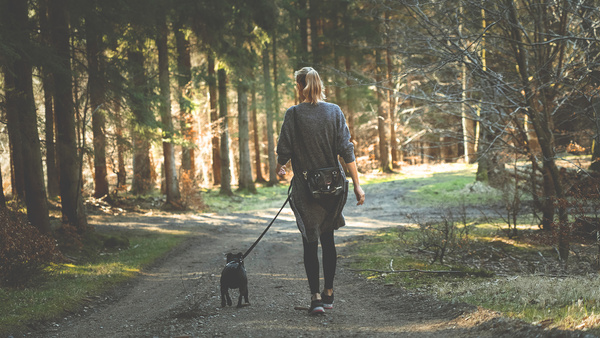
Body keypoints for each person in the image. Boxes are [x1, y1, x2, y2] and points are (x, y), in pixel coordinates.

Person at [276, 67, 365, 315]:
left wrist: (280, 168)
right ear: (318, 84)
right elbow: (346, 150)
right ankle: (329, 293)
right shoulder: (334, 111)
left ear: (299, 86)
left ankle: (315, 298)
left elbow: (284, 150)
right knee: (328, 239)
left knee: (309, 240)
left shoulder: (293, 114)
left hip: (306, 188)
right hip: (334, 186)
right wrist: (357, 184)